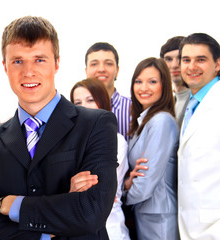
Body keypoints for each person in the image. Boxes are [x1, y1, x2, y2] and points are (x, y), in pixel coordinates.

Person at [0, 16, 118, 240]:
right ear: (5, 67)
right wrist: (48, 229)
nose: (28, 72)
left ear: (57, 63)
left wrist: (12, 205)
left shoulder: (96, 124)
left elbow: (90, 212)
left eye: (39, 59)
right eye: (17, 61)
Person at [124, 58, 179, 240]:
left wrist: (121, 197)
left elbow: (146, 182)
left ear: (164, 85)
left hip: (159, 216)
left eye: (152, 81)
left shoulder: (161, 121)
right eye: (138, 81)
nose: (143, 88)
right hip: (146, 213)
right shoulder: (144, 121)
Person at [70, 78, 130, 240]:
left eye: (90, 100)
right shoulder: (68, 142)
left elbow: (96, 189)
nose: (84, 106)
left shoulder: (116, 141)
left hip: (110, 225)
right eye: (77, 102)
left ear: (102, 102)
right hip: (78, 226)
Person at [177, 33, 220, 239]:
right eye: (186, 60)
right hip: (190, 226)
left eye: (201, 59)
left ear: (218, 64)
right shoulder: (192, 103)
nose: (192, 67)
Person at [85, 42, 131, 142]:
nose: (101, 69)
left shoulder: (134, 108)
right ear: (86, 71)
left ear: (117, 70)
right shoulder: (74, 110)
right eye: (94, 64)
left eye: (108, 63)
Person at [160, 36, 191, 126]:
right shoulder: (169, 101)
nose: (174, 65)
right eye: (169, 59)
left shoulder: (198, 99)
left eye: (180, 58)